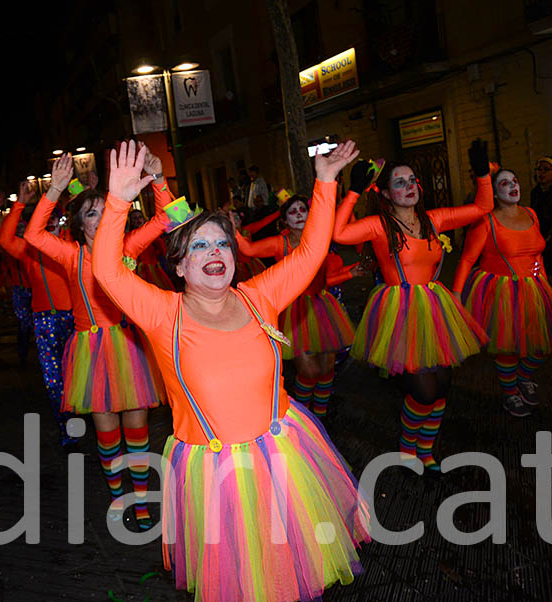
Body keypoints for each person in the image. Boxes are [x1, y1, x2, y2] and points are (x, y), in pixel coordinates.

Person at [93, 140, 369, 601]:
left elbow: (311, 253)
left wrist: (325, 183)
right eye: (198, 246)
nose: (214, 251)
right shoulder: (163, 313)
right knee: (242, 580)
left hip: (284, 455)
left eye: (221, 242)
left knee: (290, 571)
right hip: (215, 471)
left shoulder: (259, 297)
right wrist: (119, 198)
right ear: (180, 266)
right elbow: (107, 270)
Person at [24, 152, 168, 530]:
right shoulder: (71, 256)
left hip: (131, 347)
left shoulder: (129, 248)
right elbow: (33, 235)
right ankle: (119, 498)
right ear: (80, 225)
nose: (100, 216)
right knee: (108, 435)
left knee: (137, 432)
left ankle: (140, 504)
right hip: (91, 352)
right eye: (90, 212)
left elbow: (168, 218)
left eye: (106, 209)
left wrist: (158, 177)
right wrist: (54, 188)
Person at [332, 140, 495, 472]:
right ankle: (408, 449)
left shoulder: (434, 219)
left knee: (443, 387)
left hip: (435, 307)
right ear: (387, 193)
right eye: (399, 182)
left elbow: (482, 208)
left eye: (412, 180)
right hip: (400, 310)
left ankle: (427, 450)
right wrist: (353, 192)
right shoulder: (379, 225)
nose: (409, 187)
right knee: (423, 390)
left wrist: (482, 175)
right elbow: (338, 234)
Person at [453, 168, 552, 416]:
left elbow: (537, 253)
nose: (512, 186)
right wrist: (457, 295)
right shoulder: (486, 221)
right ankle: (510, 392)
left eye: (514, 180)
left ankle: (522, 377)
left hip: (534, 285)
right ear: (494, 192)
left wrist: (544, 283)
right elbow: (467, 259)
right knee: (508, 346)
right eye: (504, 183)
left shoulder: (531, 213)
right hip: (500, 289)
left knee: (542, 343)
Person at [234, 192, 364, 417]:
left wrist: (350, 274)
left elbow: (322, 279)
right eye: (292, 212)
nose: (299, 215)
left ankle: (320, 418)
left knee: (326, 369)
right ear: (284, 221)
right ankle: (304, 417)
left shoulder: (320, 238)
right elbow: (248, 250)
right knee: (309, 371)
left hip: (323, 306)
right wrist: (232, 228)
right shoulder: (279, 243)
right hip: (294, 312)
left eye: (303, 210)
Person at [0, 184, 78, 447]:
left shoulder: (71, 244)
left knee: (80, 375)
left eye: (54, 218)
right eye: (45, 218)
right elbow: (4, 238)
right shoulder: (28, 252)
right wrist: (18, 204)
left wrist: (81, 189)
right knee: (54, 379)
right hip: (43, 321)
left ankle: (93, 423)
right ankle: (66, 428)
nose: (50, 222)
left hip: (74, 319)